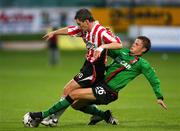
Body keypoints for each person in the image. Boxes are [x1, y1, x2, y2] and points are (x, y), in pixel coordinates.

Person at [28, 36, 167, 127]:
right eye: (134, 42)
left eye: (137, 44)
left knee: (74, 94)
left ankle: (42, 115)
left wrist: (159, 96)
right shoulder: (122, 52)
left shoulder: (142, 64)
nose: (133, 45)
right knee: (76, 105)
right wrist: (93, 44)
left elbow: (154, 79)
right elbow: (105, 50)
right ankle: (104, 115)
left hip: (109, 92)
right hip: (100, 84)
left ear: (143, 49)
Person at [41, 8, 122, 125]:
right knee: (76, 104)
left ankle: (53, 119)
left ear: (87, 21)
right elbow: (70, 29)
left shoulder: (100, 31)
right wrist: (54, 32)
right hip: (88, 66)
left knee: (67, 90)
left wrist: (102, 47)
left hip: (94, 69)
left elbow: (119, 44)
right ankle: (102, 115)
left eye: (79, 23)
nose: (78, 26)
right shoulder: (85, 30)